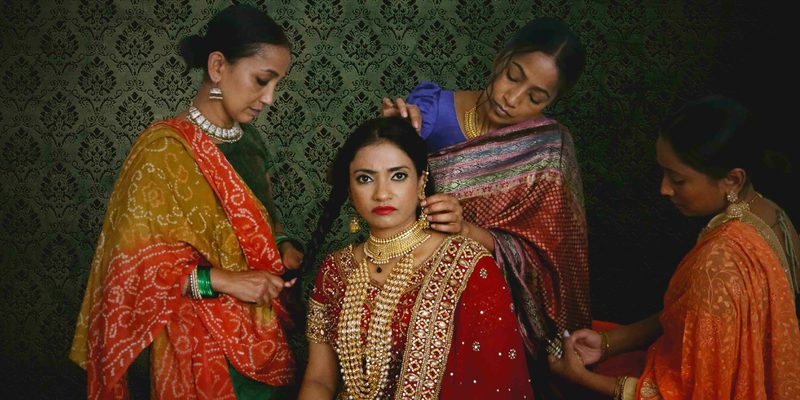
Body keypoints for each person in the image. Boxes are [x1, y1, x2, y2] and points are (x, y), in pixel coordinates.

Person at [69, 5, 300, 399]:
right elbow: (130, 274)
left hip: (264, 331)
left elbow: (259, 226)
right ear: (217, 67)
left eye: (276, 84)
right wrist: (226, 281)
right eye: (262, 80)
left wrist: (284, 248)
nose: (270, 98)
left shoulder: (252, 143)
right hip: (197, 343)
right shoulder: (163, 149)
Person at [382, 16, 590, 388]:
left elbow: (551, 262)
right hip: (417, 286)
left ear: (553, 102)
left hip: (498, 308)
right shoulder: (429, 112)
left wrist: (469, 231)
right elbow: (383, 200)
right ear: (501, 58)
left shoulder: (548, 147)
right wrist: (391, 141)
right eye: (513, 76)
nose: (512, 98)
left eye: (536, 97)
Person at [548, 96, 800, 399]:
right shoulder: (772, 215)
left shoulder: (718, 262)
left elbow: (685, 394)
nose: (664, 189)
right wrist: (609, 342)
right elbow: (690, 315)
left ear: (733, 179)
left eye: (678, 179)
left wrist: (581, 380)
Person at [297, 117, 533, 399]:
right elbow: (319, 382)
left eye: (398, 175)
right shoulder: (335, 270)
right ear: (349, 189)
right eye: (365, 178)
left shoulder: (467, 264)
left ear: (422, 181)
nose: (382, 193)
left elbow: (492, 384)